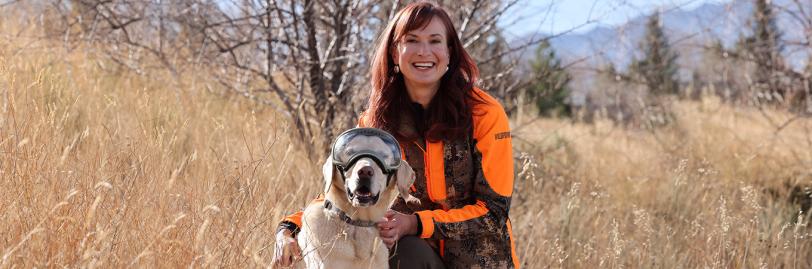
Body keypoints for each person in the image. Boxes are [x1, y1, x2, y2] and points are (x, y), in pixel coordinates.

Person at [271, 2, 518, 268]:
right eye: (411, 40)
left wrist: (416, 223)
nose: (424, 51)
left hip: (481, 260)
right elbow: (341, 189)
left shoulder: (483, 113)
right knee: (397, 249)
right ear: (394, 51)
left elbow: (494, 213)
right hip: (412, 253)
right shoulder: (377, 121)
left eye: (435, 41)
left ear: (449, 52)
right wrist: (289, 228)